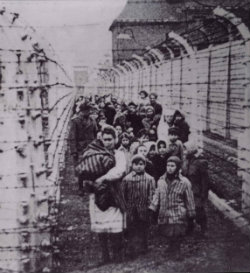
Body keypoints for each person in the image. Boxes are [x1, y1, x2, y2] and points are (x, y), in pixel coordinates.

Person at [88, 126, 127, 264]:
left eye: (110, 139)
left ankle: (118, 255)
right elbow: (88, 170)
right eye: (105, 139)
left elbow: (120, 170)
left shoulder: (119, 154)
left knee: (115, 224)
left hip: (113, 191)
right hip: (98, 193)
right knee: (101, 225)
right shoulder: (95, 154)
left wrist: (103, 178)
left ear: (115, 140)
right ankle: (104, 256)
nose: (107, 142)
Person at [149, 156, 195, 260]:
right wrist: (153, 208)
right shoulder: (161, 181)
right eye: (168, 165)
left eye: (172, 166)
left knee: (177, 232)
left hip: (178, 211)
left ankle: (177, 251)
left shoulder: (184, 182)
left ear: (178, 167)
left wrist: (191, 213)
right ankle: (171, 247)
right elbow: (157, 195)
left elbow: (189, 198)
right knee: (168, 231)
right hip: (165, 211)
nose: (169, 168)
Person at [122, 154, 155, 258]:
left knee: (143, 228)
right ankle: (131, 248)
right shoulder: (127, 179)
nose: (138, 166)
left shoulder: (149, 179)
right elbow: (123, 194)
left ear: (144, 165)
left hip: (143, 208)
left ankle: (143, 247)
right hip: (131, 209)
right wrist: (125, 206)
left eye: (141, 164)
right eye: (136, 164)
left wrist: (151, 206)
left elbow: (152, 193)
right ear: (132, 165)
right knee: (131, 228)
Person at [69, 101, 98, 195]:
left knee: (92, 166)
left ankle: (90, 185)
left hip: (91, 146)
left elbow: (95, 133)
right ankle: (80, 187)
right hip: (80, 148)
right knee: (81, 169)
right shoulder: (75, 121)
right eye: (87, 110)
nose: (89, 112)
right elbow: (72, 137)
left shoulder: (92, 120)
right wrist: (74, 150)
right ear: (82, 111)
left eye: (89, 110)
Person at [182, 142, 210, 236]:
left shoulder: (201, 162)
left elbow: (205, 180)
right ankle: (190, 227)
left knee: (198, 210)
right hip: (187, 190)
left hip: (196, 190)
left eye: (186, 149)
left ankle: (204, 228)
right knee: (188, 208)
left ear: (191, 150)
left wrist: (204, 193)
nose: (184, 151)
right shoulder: (186, 160)